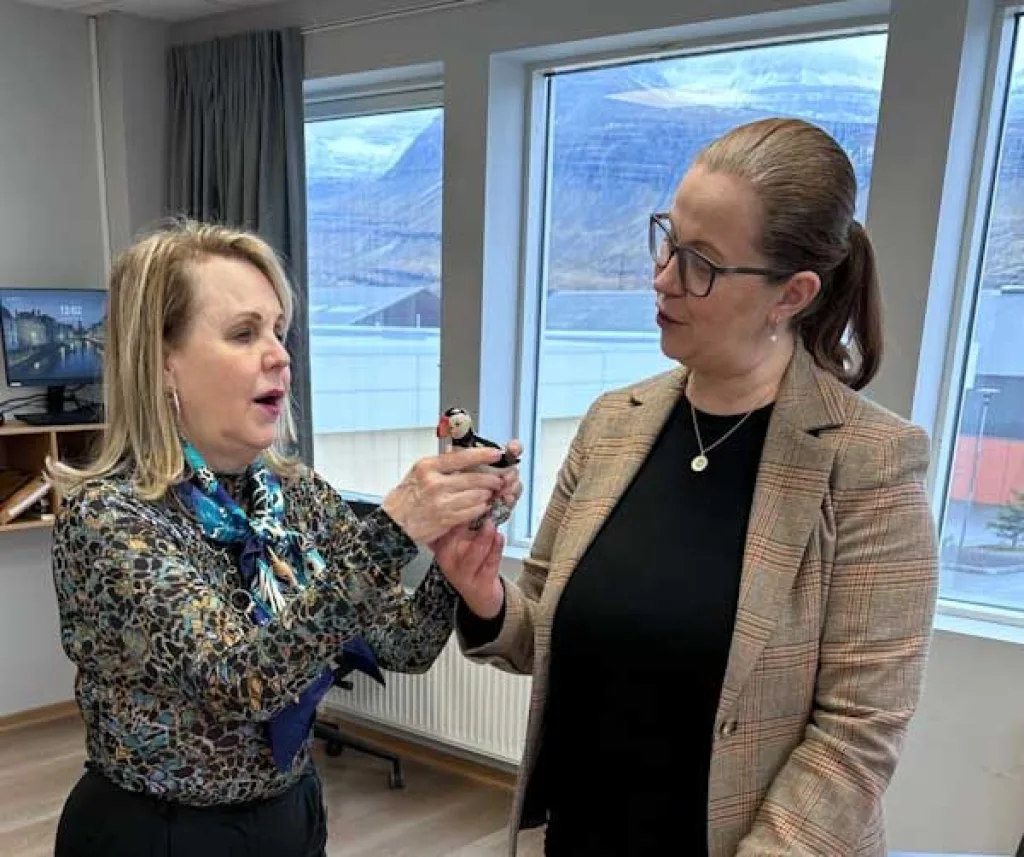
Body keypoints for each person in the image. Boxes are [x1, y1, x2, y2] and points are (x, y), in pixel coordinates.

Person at [444, 118, 939, 857]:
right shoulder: (614, 423)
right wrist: (482, 591)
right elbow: (540, 634)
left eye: (700, 262)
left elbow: (856, 736)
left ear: (792, 294)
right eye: (668, 241)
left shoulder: (870, 463)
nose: (664, 277)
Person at [48, 220, 520, 857]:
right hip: (159, 836)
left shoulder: (297, 496)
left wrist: (451, 560)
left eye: (278, 331)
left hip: (288, 817)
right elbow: (242, 684)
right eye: (245, 333)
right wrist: (393, 531)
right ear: (161, 363)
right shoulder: (109, 518)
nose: (280, 355)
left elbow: (402, 645)